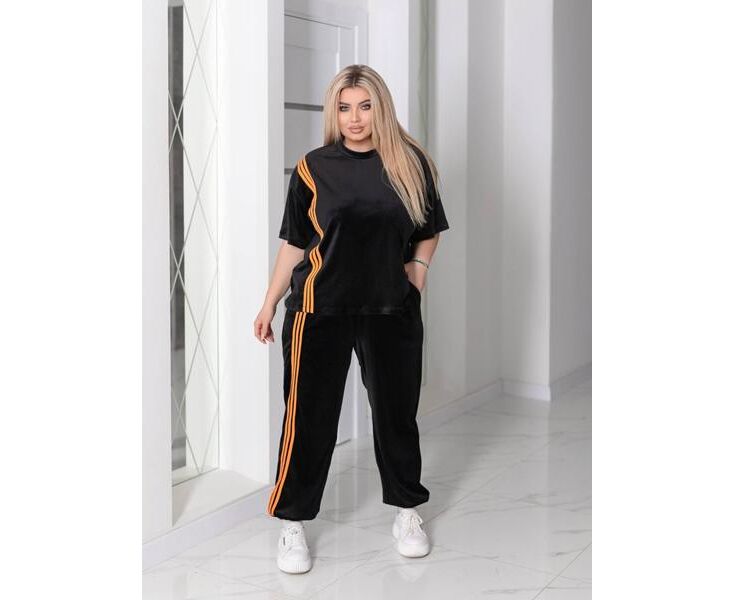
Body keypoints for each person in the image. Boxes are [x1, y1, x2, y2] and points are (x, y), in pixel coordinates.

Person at [253, 64, 449, 574]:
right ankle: (293, 523)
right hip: (319, 309)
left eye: (365, 106)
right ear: (333, 112)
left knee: (396, 416)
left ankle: (407, 512)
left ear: (380, 108)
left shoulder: (410, 164)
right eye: (344, 108)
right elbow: (295, 243)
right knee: (308, 420)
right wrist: (270, 301)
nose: (355, 118)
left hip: (391, 308)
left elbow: (429, 229)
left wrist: (418, 270)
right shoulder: (312, 168)